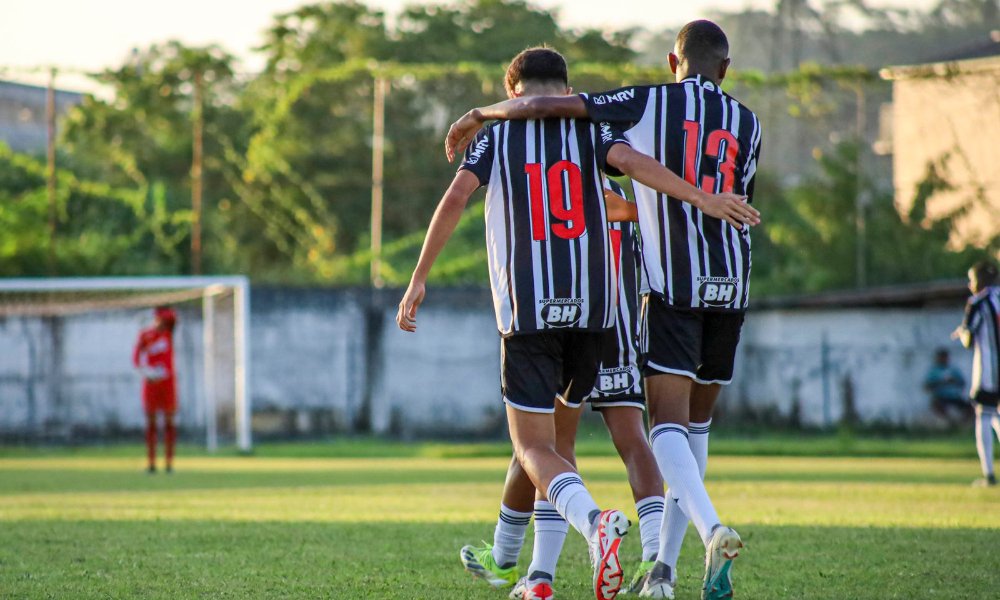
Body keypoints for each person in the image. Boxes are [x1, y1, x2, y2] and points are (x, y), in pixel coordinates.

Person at [398, 46, 754, 600]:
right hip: (594, 315)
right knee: (597, 440)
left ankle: (592, 527)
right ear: (567, 89)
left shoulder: (497, 134)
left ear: (510, 91)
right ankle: (541, 571)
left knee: (535, 446)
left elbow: (455, 197)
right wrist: (702, 198)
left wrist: (419, 276)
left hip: (529, 310)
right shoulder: (593, 132)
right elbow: (637, 170)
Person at [952, 260, 1000, 487]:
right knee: (996, 417)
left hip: (989, 372)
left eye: (971, 279)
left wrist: (962, 332)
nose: (969, 284)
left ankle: (988, 473)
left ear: (980, 280)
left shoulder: (977, 303)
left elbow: (968, 339)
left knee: (984, 416)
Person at [133, 306, 178, 474]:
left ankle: (169, 463)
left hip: (168, 384)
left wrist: (158, 311)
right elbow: (136, 358)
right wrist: (146, 371)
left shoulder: (168, 332)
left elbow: (173, 318)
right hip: (151, 384)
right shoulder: (145, 335)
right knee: (151, 424)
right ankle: (151, 463)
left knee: (169, 423)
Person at [923, 348, 971, 425]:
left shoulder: (953, 369)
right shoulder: (934, 371)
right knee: (937, 405)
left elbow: (962, 383)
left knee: (971, 407)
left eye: (945, 357)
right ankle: (950, 422)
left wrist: (954, 381)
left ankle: (962, 424)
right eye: (941, 357)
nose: (943, 359)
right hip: (941, 397)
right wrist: (941, 382)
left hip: (955, 396)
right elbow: (927, 386)